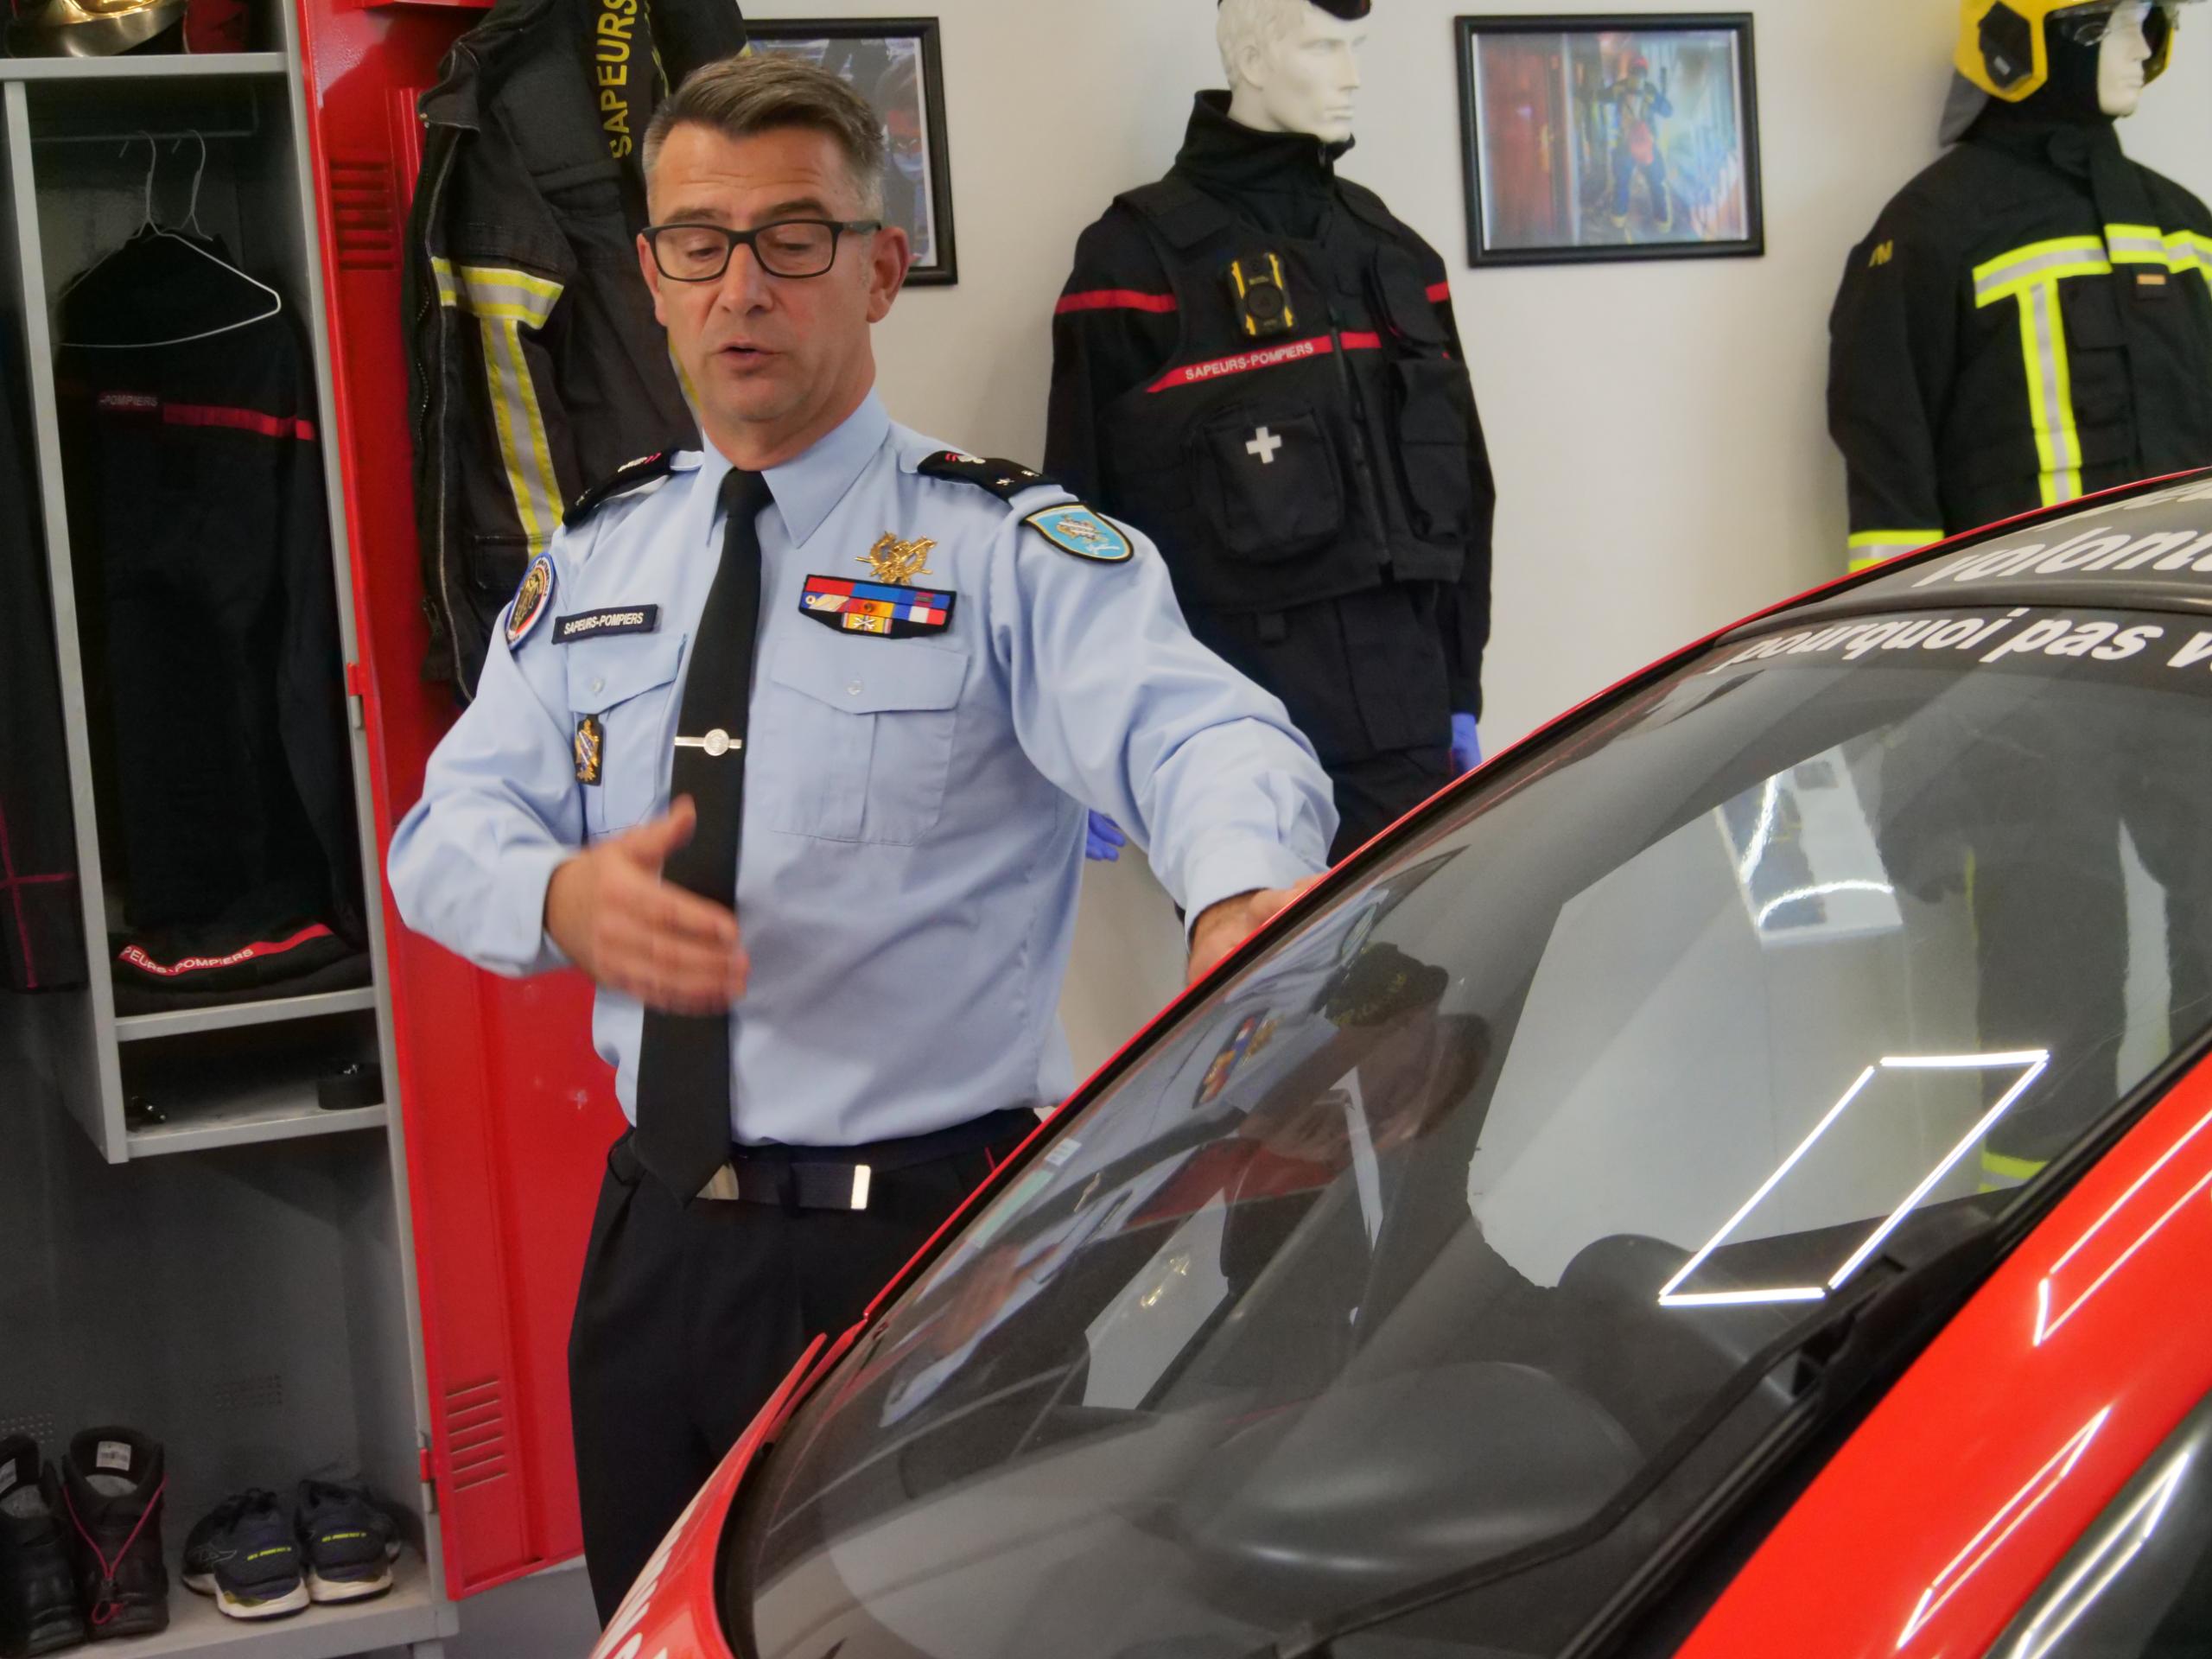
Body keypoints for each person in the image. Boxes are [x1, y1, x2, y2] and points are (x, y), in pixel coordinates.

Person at [385, 54, 1337, 1619]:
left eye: (793, 239)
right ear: (651, 277)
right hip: (654, 1255)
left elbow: (1206, 732)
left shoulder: (1004, 550)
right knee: (659, 1629)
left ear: (880, 269)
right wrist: (556, 896)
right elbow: (444, 832)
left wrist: (1240, 896)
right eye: (698, 242)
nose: (741, 286)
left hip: (927, 1259)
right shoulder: (599, 558)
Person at [1047, 0, 1494, 866]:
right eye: (1325, 47)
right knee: (1269, 959)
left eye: (1356, 48)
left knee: (1426, 953)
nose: (1351, 76)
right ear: (1251, 58)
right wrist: (1086, 724)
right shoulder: (1133, 263)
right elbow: (1079, 520)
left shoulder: (1394, 255)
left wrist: (1458, 687)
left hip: (1406, 727)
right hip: (1228, 730)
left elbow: (1466, 486)